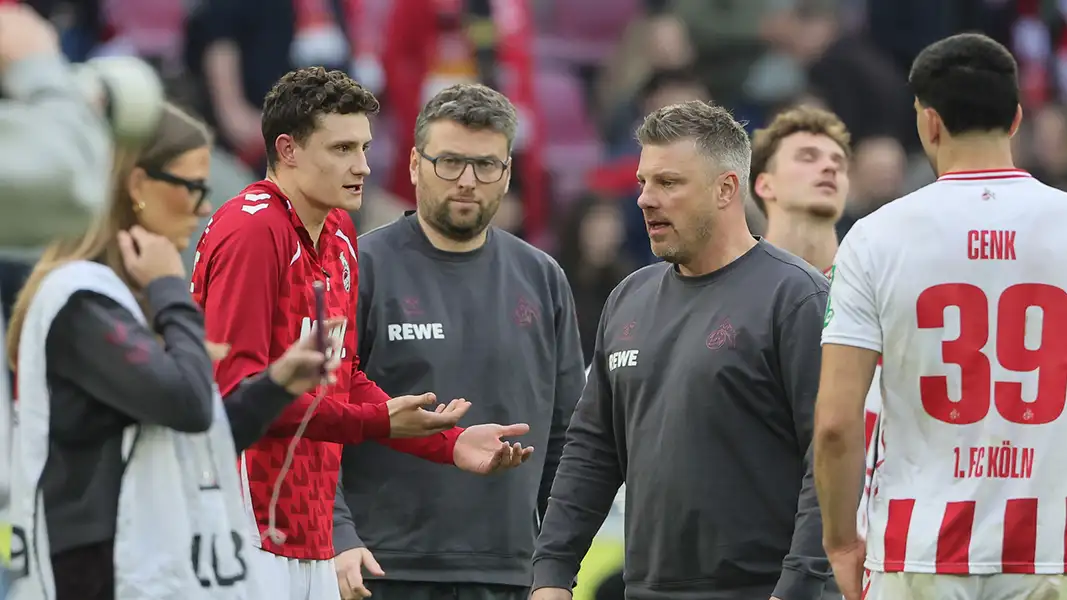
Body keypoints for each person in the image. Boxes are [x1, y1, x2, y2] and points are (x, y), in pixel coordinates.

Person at [191, 67, 534, 600]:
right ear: (289, 150)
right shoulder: (253, 230)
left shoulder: (338, 236)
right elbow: (238, 394)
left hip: (305, 534)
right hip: (242, 523)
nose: (363, 166)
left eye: (366, 147)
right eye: (343, 148)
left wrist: (448, 443)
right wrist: (373, 421)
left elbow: (343, 378)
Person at [4, 103, 343, 600]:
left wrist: (278, 383)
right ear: (138, 186)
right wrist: (170, 290)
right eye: (193, 187)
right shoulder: (80, 298)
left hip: (145, 563)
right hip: (93, 572)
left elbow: (200, 438)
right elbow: (187, 403)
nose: (205, 206)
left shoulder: (116, 297)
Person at [531, 100, 832, 600]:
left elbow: (827, 459)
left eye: (668, 183)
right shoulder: (629, 298)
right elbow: (593, 449)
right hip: (646, 588)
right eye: (644, 182)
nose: (645, 199)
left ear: (725, 189)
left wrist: (800, 585)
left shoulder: (795, 297)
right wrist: (552, 572)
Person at [814, 33, 1067, 600]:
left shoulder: (873, 238)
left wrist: (840, 542)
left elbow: (835, 424)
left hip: (917, 551)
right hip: (1050, 548)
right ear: (1018, 118)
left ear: (928, 123)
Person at [332, 83, 585, 600]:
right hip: (381, 571)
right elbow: (320, 422)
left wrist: (555, 568)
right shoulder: (358, 269)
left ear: (508, 172)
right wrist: (337, 537)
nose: (467, 181)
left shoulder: (543, 278)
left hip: (511, 575)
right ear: (413, 164)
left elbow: (567, 441)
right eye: (448, 162)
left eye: (486, 165)